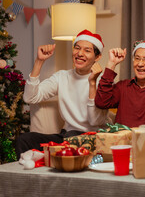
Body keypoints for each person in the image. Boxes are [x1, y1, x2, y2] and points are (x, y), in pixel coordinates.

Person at [16, 29, 109, 159]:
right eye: (77, 48)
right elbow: (30, 97)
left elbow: (95, 120)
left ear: (97, 57)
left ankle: (50, 159)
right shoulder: (62, 77)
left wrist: (92, 82)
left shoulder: (104, 81)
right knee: (25, 140)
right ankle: (31, 176)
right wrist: (39, 61)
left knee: (71, 138)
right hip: (67, 136)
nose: (80, 53)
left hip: (94, 138)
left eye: (87, 50)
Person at [95, 40, 145, 127]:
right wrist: (111, 64)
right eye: (137, 58)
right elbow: (101, 103)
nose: (140, 64)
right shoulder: (123, 86)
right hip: (122, 139)